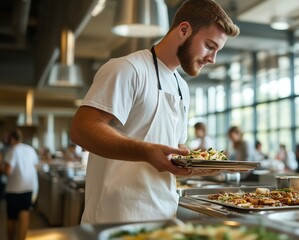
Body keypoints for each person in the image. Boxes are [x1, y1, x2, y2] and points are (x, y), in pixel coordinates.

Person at [70, 0, 239, 224]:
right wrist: (145, 152)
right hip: (114, 217)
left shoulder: (182, 87)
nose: (212, 58)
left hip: (164, 214)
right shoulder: (127, 69)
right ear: (184, 30)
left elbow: (171, 150)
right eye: (209, 45)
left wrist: (192, 165)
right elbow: (82, 129)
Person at [2, 129, 39, 240]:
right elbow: (36, 166)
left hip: (14, 189)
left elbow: (8, 171)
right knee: (24, 215)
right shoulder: (30, 149)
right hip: (28, 187)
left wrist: (2, 167)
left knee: (11, 218)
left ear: (12, 139)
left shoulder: (12, 150)